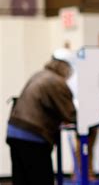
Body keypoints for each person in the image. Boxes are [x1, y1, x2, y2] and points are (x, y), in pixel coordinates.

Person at [6, 49, 76, 185]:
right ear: (65, 67)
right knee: (41, 179)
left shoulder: (39, 75)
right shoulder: (56, 82)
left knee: (21, 179)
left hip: (14, 131)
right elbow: (70, 114)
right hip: (32, 135)